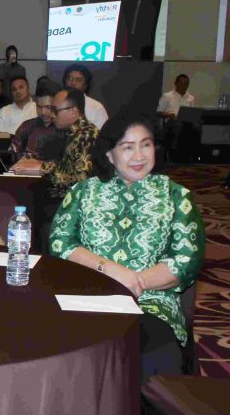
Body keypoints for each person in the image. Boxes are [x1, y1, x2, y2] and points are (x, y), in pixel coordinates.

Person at [49, 112, 204, 380]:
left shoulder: (177, 196)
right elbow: (60, 243)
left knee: (151, 354)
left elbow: (185, 260)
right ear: (110, 154)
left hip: (151, 302)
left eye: (146, 145)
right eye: (128, 147)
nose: (139, 156)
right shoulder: (83, 192)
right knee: (62, 351)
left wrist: (136, 281)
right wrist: (109, 269)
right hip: (87, 296)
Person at [12, 88, 100, 249]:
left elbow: (80, 179)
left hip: (74, 206)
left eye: (55, 110)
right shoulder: (71, 133)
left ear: (73, 111)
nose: (52, 115)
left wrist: (42, 167)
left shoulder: (86, 135)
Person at [11, 78, 62, 160]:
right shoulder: (26, 126)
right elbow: (13, 153)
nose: (43, 112)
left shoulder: (65, 128)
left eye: (48, 107)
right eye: (39, 107)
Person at [62, 64, 109, 129]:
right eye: (69, 79)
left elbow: (103, 133)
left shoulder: (97, 108)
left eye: (78, 80)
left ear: (85, 85)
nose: (73, 83)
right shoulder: (57, 103)